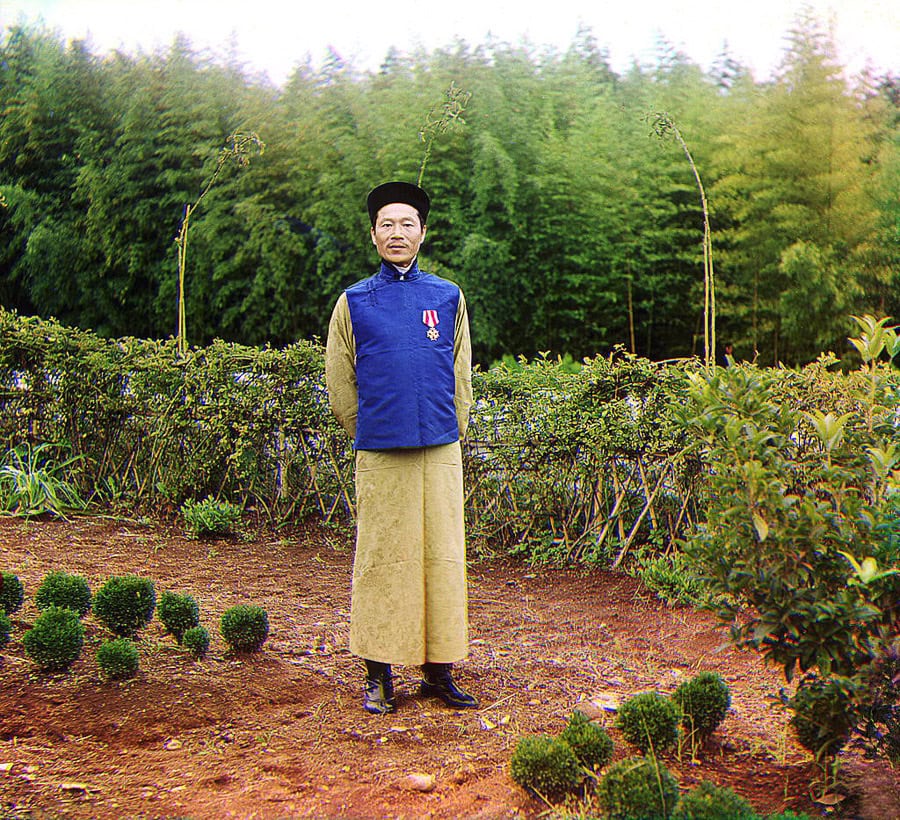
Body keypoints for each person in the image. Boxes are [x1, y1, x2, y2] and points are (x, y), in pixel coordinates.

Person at [325, 181, 478, 715]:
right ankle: (379, 674)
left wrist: (449, 428)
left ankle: (439, 672)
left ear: (423, 232)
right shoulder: (353, 302)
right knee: (384, 558)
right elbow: (340, 384)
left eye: (406, 223)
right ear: (373, 236)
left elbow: (461, 374)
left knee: (441, 556)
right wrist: (369, 429)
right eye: (386, 224)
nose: (397, 233)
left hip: (440, 448)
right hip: (382, 450)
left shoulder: (447, 295)